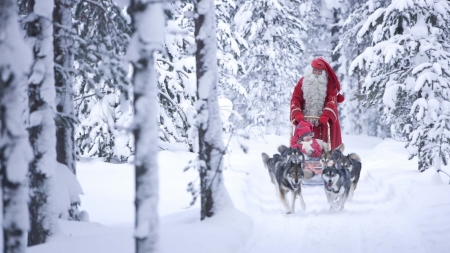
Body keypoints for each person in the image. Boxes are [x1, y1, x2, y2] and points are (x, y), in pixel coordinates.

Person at [290, 57, 345, 150]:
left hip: (324, 122)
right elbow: (295, 98)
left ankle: (329, 158)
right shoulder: (303, 82)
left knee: (326, 147)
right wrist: (297, 114)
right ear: (310, 70)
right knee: (302, 145)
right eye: (315, 71)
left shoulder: (330, 84)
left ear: (324, 73)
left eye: (320, 72)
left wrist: (327, 115)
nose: (317, 74)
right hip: (305, 121)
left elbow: (332, 100)